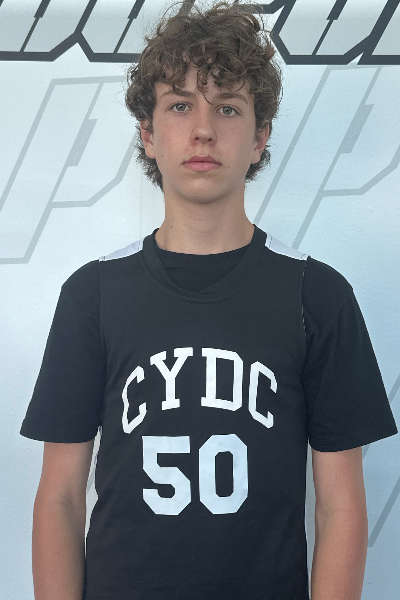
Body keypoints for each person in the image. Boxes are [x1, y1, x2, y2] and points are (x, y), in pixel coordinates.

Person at [20, 2, 398, 599]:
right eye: (179, 105)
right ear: (148, 135)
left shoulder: (317, 296)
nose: (203, 130)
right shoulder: (92, 295)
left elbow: (340, 503)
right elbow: (61, 496)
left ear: (260, 137)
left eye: (227, 107)